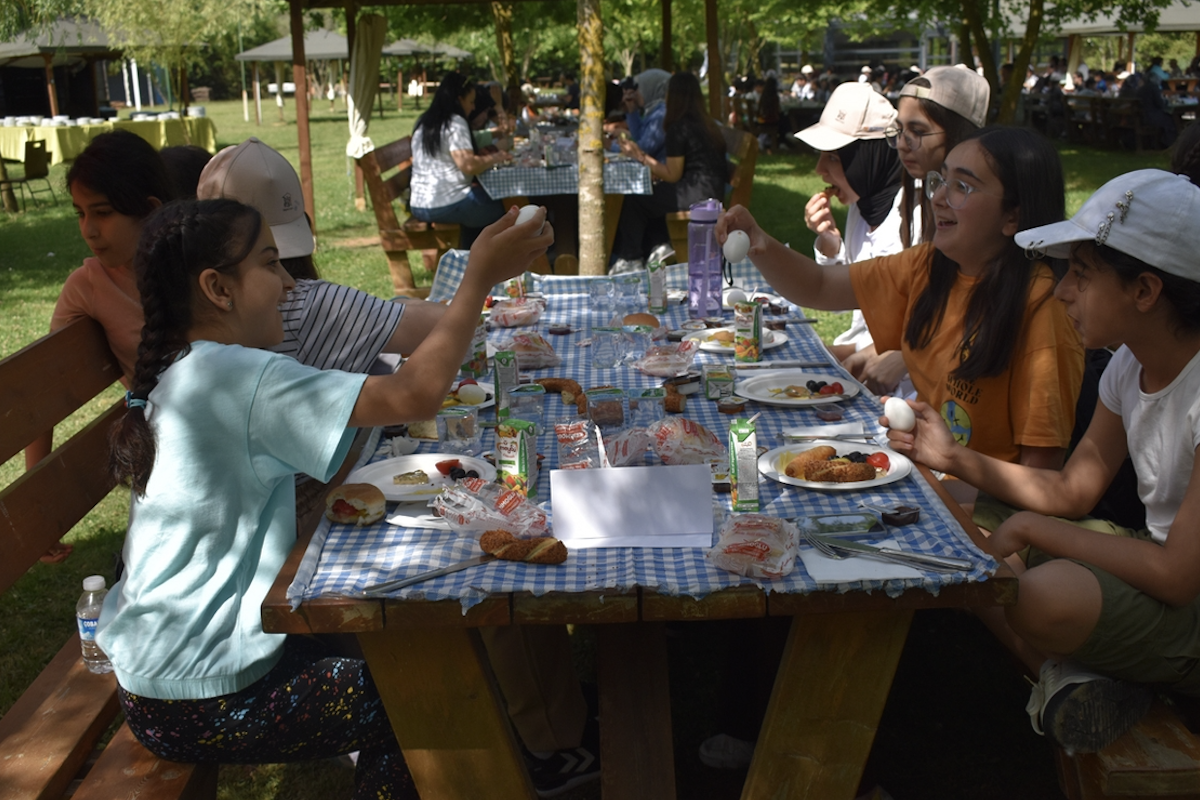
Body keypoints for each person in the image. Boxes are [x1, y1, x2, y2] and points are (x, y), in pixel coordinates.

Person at [97, 198, 550, 797]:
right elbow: (413, 394)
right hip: (200, 691)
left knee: (416, 666)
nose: (289, 284)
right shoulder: (238, 379)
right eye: (269, 265)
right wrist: (478, 281)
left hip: (167, 667)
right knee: (423, 704)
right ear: (218, 288)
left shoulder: (196, 368)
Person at [883, 169, 1200, 754]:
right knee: (964, 506)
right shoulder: (1130, 365)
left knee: (1038, 595)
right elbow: (1074, 492)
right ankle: (1081, 678)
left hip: (1188, 596)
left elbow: (1178, 577)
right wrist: (953, 457)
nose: (1061, 292)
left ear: (1145, 291)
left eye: (1080, 274)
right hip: (1156, 560)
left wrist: (1031, 527)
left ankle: (1081, 673)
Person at [718, 126, 1084, 474]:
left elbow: (1041, 480)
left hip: (981, 505)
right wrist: (758, 242)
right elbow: (818, 285)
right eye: (941, 181)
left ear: (1013, 216)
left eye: (963, 187)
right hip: (925, 473)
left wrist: (950, 483)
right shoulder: (929, 266)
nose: (938, 197)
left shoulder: (1042, 312)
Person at [848, 64, 987, 396]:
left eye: (918, 131)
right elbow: (825, 285)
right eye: (898, 130)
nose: (902, 144)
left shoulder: (977, 217)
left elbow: (980, 318)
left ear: (960, 135)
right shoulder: (910, 201)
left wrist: (909, 358)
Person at [795, 82, 905, 392]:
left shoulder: (914, 218)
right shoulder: (861, 206)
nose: (820, 169)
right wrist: (830, 241)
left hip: (891, 377)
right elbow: (847, 300)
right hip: (856, 355)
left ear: (866, 157)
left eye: (833, 157)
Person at [610, 71, 728, 272]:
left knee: (636, 199)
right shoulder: (706, 123)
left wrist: (639, 156)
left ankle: (631, 258)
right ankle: (660, 246)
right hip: (710, 191)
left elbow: (672, 174)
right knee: (652, 195)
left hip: (697, 196)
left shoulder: (678, 127)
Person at [410, 71, 511, 249]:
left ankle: (469, 258)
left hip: (419, 202)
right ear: (459, 99)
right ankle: (487, 261)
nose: (473, 108)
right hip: (446, 204)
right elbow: (468, 165)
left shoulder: (425, 121)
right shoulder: (455, 122)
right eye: (471, 102)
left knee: (488, 203)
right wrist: (496, 157)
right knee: (510, 208)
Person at [618, 68, 671, 162]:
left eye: (638, 89)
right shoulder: (653, 111)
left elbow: (643, 149)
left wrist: (610, 145)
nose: (635, 94)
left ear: (649, 88)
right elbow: (638, 136)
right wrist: (631, 110)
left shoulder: (661, 114)